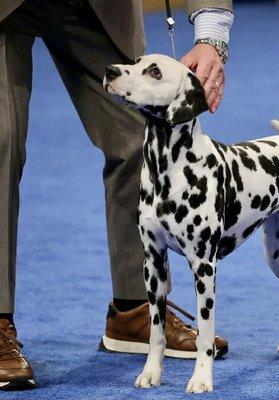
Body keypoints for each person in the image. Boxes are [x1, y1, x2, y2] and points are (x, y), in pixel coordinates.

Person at [0, 0, 233, 390]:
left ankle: (135, 310)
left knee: (138, 137)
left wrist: (212, 34)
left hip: (97, 6)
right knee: (1, 142)